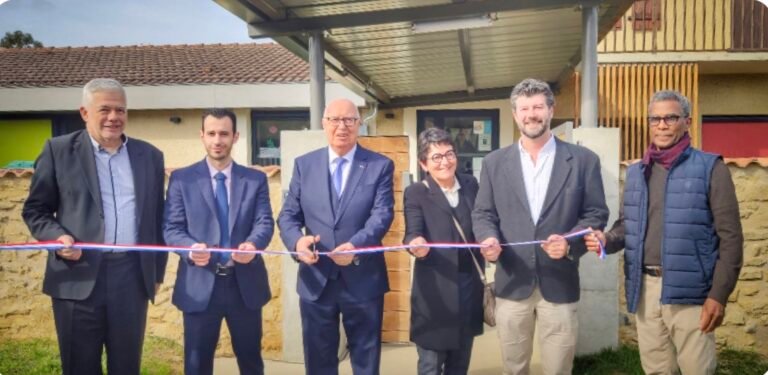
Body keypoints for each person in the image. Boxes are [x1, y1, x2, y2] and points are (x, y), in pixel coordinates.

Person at [584, 90, 743, 375]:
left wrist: (718, 295)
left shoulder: (711, 168)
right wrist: (607, 239)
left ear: (687, 121)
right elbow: (627, 225)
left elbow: (731, 239)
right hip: (646, 290)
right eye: (655, 118)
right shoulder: (636, 173)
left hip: (692, 294)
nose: (662, 125)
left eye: (670, 117)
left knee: (698, 370)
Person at [22, 78, 167, 375]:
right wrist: (57, 237)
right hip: (77, 277)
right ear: (85, 112)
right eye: (105, 109)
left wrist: (156, 273)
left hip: (131, 278)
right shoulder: (58, 151)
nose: (114, 117)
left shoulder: (150, 156)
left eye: (120, 110)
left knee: (126, 367)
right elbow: (35, 210)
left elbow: (157, 218)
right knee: (79, 367)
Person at [472, 78, 609, 375]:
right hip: (511, 282)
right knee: (514, 368)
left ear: (551, 110)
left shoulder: (583, 161)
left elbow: (596, 213)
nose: (531, 114)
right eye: (524, 108)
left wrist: (571, 242)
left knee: (559, 369)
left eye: (537, 107)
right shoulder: (495, 163)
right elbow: (483, 213)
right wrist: (488, 239)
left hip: (559, 283)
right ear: (514, 114)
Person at [277, 98, 395, 375]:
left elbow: (382, 215)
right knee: (319, 363)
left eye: (349, 120)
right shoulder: (305, 165)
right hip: (316, 279)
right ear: (323, 123)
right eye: (335, 120)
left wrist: (356, 245)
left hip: (363, 277)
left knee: (366, 362)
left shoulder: (379, 165)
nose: (342, 126)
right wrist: (297, 242)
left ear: (358, 124)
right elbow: (288, 216)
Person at [163, 108, 274, 375]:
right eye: (211, 133)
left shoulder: (255, 179)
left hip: (244, 284)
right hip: (200, 285)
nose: (217, 140)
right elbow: (171, 228)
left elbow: (264, 222)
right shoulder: (182, 179)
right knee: (197, 364)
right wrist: (190, 249)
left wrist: (253, 244)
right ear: (202, 136)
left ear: (235, 137)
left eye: (224, 133)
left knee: (251, 362)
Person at [404, 127, 484, 374]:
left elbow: (482, 222)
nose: (445, 162)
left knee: (460, 364)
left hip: (468, 286)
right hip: (434, 291)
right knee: (430, 364)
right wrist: (417, 244)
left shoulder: (471, 185)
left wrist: (488, 240)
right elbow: (412, 232)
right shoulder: (417, 192)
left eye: (449, 154)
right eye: (436, 157)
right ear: (423, 163)